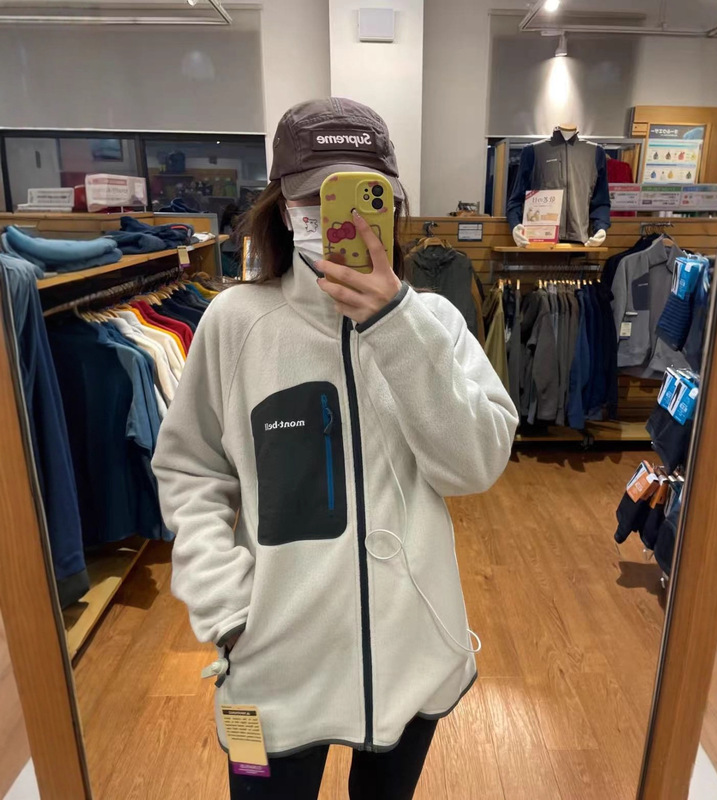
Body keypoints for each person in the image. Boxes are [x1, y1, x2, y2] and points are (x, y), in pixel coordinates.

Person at [152, 97, 517, 800]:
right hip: (267, 670)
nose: (332, 214)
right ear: (283, 208)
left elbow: (474, 466)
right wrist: (227, 615)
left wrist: (396, 326)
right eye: (312, 197)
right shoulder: (234, 322)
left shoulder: (435, 322)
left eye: (357, 196)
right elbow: (189, 469)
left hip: (414, 658)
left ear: (392, 207)